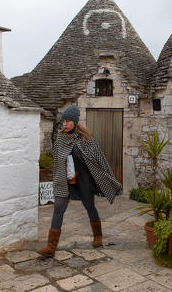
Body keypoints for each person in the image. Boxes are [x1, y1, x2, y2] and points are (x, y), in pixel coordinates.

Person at [37, 104, 122, 257]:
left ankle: (98, 236)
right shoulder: (60, 139)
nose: (64, 124)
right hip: (64, 180)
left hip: (83, 179)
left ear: (75, 122)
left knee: (90, 207)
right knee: (58, 209)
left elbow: (98, 159)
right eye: (63, 121)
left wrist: (108, 177)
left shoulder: (86, 139)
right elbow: (57, 161)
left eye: (68, 121)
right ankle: (50, 247)